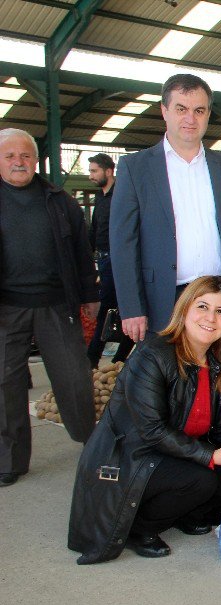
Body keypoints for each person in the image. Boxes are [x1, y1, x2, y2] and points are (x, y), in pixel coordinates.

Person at [68, 277, 221, 562]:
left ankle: (185, 514)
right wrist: (211, 455)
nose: (211, 318)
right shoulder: (152, 354)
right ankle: (139, 528)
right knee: (201, 479)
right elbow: (152, 431)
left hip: (179, 453)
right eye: (202, 306)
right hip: (133, 457)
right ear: (184, 310)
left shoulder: (220, 362)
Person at [110, 73, 221, 344]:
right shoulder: (136, 168)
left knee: (215, 379)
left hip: (216, 297)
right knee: (165, 380)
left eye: (199, 110)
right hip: (163, 299)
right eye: (181, 109)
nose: (191, 118)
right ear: (164, 111)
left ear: (208, 114)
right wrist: (131, 307)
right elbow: (123, 243)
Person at [0, 128, 99, 487]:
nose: (18, 162)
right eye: (10, 156)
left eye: (25, 156)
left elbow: (82, 254)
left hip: (57, 304)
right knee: (5, 383)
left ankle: (91, 441)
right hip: (7, 307)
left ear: (35, 160)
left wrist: (90, 296)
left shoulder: (59, 200)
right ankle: (10, 461)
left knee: (74, 378)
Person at [85, 152, 135, 368]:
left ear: (108, 171)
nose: (90, 176)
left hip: (119, 260)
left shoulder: (122, 196)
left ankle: (96, 359)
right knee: (111, 309)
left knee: (114, 308)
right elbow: (95, 230)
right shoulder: (100, 198)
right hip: (104, 260)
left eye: (94, 171)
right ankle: (116, 358)